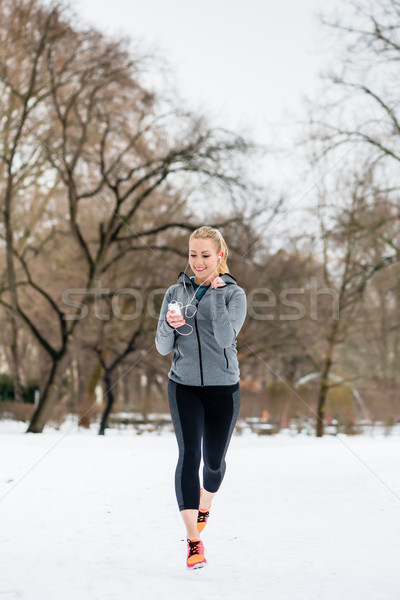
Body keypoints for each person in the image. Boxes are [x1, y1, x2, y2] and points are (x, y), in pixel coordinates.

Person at [155, 225, 247, 570]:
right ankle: (194, 541)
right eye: (193, 254)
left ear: (219, 256)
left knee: (212, 464)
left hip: (224, 389)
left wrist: (218, 294)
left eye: (205, 255)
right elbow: (163, 347)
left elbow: (225, 339)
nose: (197, 261)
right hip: (184, 386)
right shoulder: (174, 293)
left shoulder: (236, 295)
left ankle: (206, 502)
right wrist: (169, 321)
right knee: (189, 454)